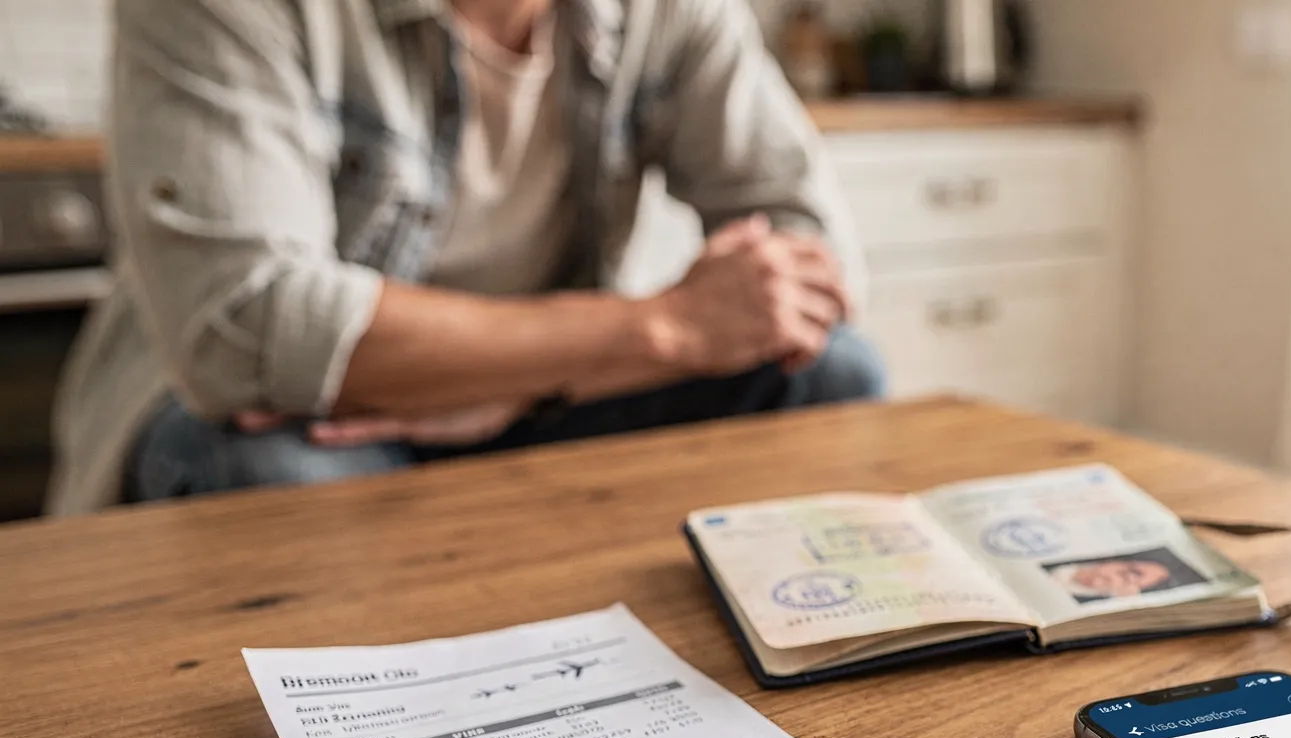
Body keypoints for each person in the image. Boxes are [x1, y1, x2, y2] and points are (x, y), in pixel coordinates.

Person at [46, 0, 880, 515]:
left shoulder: (676, 12)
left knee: (831, 370)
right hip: (290, 417)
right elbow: (246, 331)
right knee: (269, 469)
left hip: (542, 393)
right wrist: (658, 329)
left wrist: (513, 382)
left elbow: (813, 260)